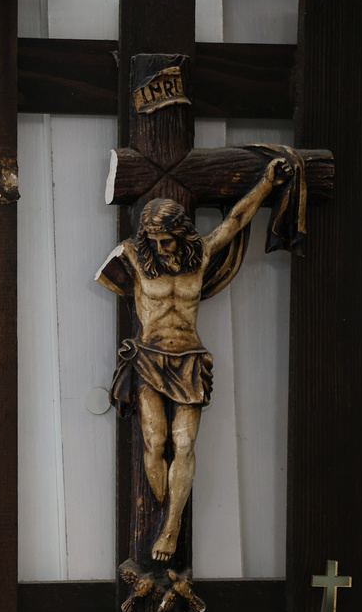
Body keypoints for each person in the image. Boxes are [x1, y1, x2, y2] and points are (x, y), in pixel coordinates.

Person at [96, 157, 289, 562]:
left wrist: (267, 185)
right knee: (155, 441)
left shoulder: (198, 254)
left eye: (168, 240)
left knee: (184, 444)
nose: (162, 248)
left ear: (180, 234)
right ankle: (162, 502)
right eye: (156, 241)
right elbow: (108, 279)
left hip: (188, 359)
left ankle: (171, 526)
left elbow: (235, 220)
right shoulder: (132, 255)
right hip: (148, 357)